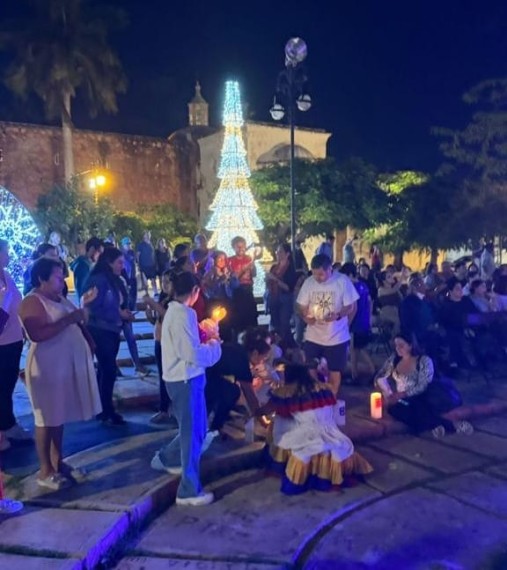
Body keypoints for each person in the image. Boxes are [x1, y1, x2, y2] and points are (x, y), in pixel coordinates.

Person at [18, 257, 102, 489]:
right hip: (47, 368)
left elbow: (78, 320)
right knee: (45, 419)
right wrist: (69, 319)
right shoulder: (32, 301)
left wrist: (87, 336)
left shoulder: (59, 297)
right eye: (57, 276)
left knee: (58, 416)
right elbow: (37, 333)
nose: (62, 280)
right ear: (41, 279)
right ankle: (45, 470)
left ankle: (58, 462)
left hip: (63, 367)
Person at [150, 271, 221, 506]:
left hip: (184, 378)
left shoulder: (177, 312)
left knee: (197, 428)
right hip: (185, 380)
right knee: (192, 434)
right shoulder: (182, 314)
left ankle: (167, 457)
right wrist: (214, 344)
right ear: (194, 292)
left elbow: (186, 343)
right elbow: (191, 353)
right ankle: (188, 490)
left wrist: (202, 332)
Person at [257, 363, 373, 494]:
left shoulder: (286, 392)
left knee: (277, 422)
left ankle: (280, 464)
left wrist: (255, 410)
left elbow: (266, 410)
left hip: (306, 432)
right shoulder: (323, 388)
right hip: (330, 431)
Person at [375, 333, 472, 438]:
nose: (398, 348)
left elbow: (423, 385)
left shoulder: (424, 360)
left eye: (401, 345)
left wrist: (403, 394)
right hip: (404, 400)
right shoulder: (394, 359)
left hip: (423, 395)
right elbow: (380, 377)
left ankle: (445, 425)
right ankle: (437, 424)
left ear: (410, 345)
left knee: (416, 406)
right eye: (396, 345)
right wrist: (388, 393)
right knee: (394, 409)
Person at [84, 247, 134, 425]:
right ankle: (106, 409)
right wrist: (119, 314)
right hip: (101, 330)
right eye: (119, 262)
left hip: (112, 329)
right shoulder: (99, 280)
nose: (123, 265)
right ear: (109, 262)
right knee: (109, 368)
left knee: (105, 369)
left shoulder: (113, 279)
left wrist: (122, 313)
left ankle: (102, 408)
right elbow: (94, 306)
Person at [296, 254, 359, 395]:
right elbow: (300, 306)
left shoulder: (342, 281)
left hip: (337, 337)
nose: (317, 278)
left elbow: (351, 306)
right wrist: (305, 317)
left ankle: (331, 401)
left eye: (320, 274)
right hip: (313, 336)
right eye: (314, 274)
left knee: (334, 372)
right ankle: (314, 400)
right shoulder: (309, 282)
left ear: (330, 269)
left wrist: (337, 315)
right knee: (310, 369)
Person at [0, 239, 31, 451]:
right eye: (6, 252)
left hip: (13, 341)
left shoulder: (6, 275)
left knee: (7, 386)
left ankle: (8, 424)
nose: (9, 255)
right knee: (2, 387)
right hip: (2, 343)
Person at [144, 270, 174, 424]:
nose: (165, 285)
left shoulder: (175, 301)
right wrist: (150, 313)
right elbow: (158, 319)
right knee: (162, 374)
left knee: (168, 375)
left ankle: (167, 408)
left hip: (168, 342)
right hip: (159, 338)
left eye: (168, 282)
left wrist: (153, 304)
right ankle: (164, 408)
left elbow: (168, 316)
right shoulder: (163, 298)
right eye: (163, 282)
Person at [340, 263, 375, 382]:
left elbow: (352, 308)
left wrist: (347, 324)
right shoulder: (363, 285)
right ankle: (368, 371)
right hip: (364, 321)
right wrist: (369, 318)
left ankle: (357, 374)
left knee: (355, 349)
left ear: (349, 274)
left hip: (355, 323)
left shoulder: (351, 287)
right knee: (359, 348)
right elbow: (370, 302)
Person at [266, 243, 298, 346]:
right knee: (275, 324)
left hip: (285, 298)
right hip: (274, 298)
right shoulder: (274, 267)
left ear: (287, 254)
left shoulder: (290, 269)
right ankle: (278, 345)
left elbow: (289, 287)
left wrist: (274, 279)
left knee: (284, 324)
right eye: (277, 251)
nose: (277, 254)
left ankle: (288, 346)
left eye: (280, 252)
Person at [202, 250, 236, 338]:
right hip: (215, 302)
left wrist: (232, 278)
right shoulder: (210, 272)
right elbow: (208, 288)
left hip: (226, 300)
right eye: (219, 259)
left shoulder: (227, 271)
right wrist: (220, 280)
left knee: (227, 323)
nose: (222, 261)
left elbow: (234, 286)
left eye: (224, 259)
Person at [228, 236, 259, 333]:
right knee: (238, 319)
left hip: (248, 290)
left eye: (243, 246)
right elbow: (233, 278)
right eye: (238, 247)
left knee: (251, 318)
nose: (241, 249)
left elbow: (253, 274)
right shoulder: (230, 260)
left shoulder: (248, 258)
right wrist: (243, 270)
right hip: (237, 292)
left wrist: (253, 266)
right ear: (233, 247)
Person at [70, 237, 103, 302]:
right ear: (92, 249)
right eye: (99, 252)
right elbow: (82, 292)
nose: (101, 256)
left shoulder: (84, 264)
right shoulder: (83, 267)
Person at [120, 237, 137, 311]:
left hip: (133, 276)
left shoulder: (132, 253)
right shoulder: (121, 254)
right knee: (127, 294)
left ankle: (133, 307)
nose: (129, 245)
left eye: (130, 244)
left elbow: (134, 263)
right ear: (123, 245)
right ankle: (128, 308)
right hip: (126, 276)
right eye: (127, 244)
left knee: (133, 294)